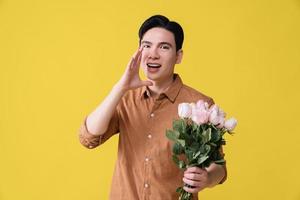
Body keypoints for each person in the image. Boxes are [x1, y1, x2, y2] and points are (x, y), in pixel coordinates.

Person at [79, 15, 226, 200]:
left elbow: (219, 167)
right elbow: (89, 138)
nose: (153, 54)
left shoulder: (199, 104)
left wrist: (208, 177)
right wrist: (120, 88)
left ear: (178, 56)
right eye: (147, 46)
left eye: (164, 47)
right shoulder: (124, 98)